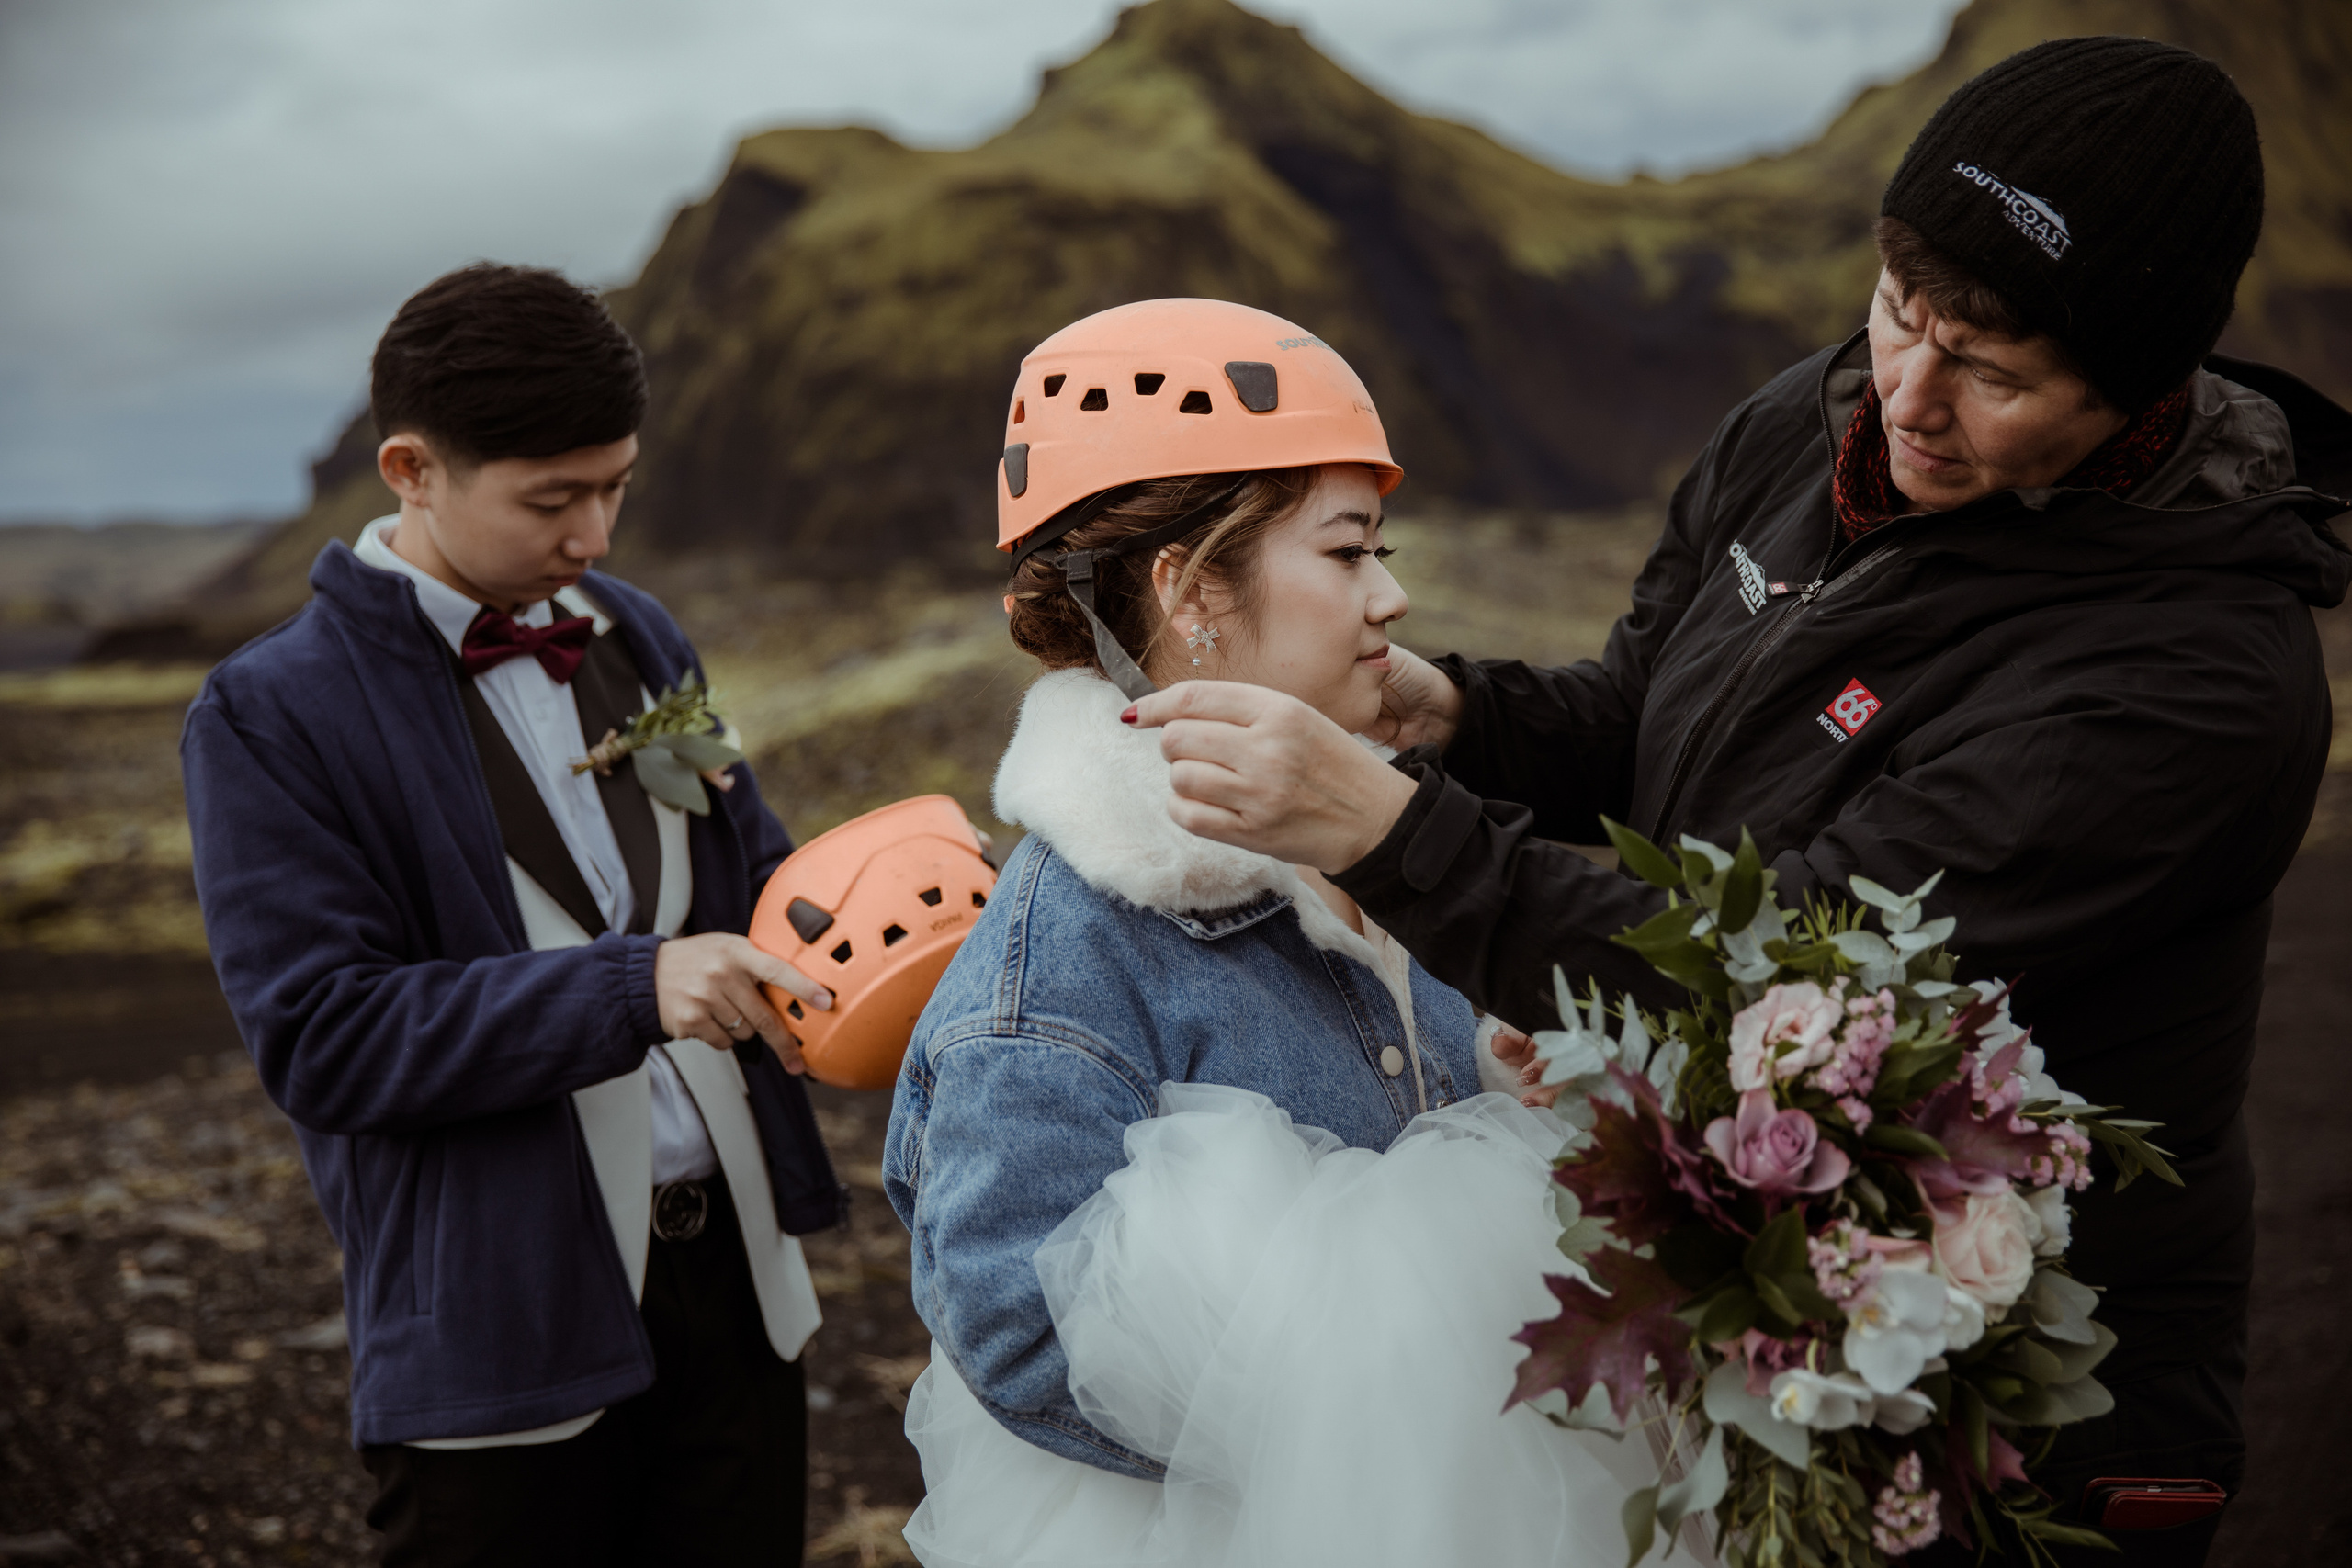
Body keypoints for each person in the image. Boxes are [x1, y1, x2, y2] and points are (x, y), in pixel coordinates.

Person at [1126, 39, 2352, 1565]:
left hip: (2006, 1387)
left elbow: (1797, 961)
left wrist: (1391, 831)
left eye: (1995, 372)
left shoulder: (2189, 681)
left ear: (2140, 387)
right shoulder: (1810, 422)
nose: (1911, 396)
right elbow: (1650, 716)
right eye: (1903, 310)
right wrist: (1467, 714)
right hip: (1753, 1282)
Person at [883, 299, 1672, 1567]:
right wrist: (1376, 1438)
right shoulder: (1068, 940)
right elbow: (1017, 1326)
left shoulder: (1397, 833)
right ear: (1192, 590)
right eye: (1351, 552)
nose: (1396, 597)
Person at [181, 263, 846, 1567]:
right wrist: (632, 987)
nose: (595, 537)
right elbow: (323, 1037)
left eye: (616, 488)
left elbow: (747, 875)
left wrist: (894, 915)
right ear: (411, 469)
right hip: (500, 1328)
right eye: (554, 499)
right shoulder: (266, 712)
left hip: (739, 1300)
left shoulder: (635, 632)